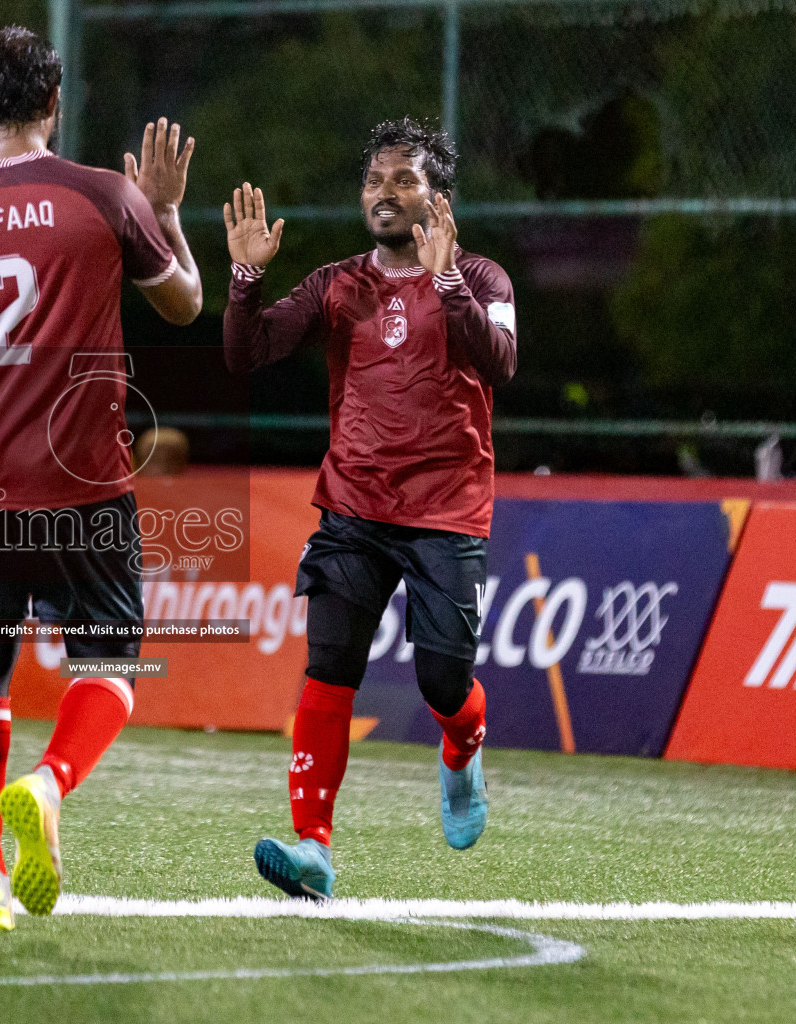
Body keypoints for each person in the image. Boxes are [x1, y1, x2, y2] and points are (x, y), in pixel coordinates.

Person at [0, 26, 202, 932]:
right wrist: (168, 213)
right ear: (54, 104)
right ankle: (52, 779)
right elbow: (185, 302)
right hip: (82, 482)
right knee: (111, 664)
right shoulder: (103, 196)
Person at [223, 117, 517, 899]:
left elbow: (501, 362)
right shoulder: (334, 284)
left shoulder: (484, 280)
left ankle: (462, 748)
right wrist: (245, 281)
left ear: (438, 199)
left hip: (447, 513)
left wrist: (447, 282)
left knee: (442, 682)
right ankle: (314, 850)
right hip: (353, 507)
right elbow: (247, 353)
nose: (384, 194)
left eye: (403, 180)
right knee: (329, 667)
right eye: (374, 181)